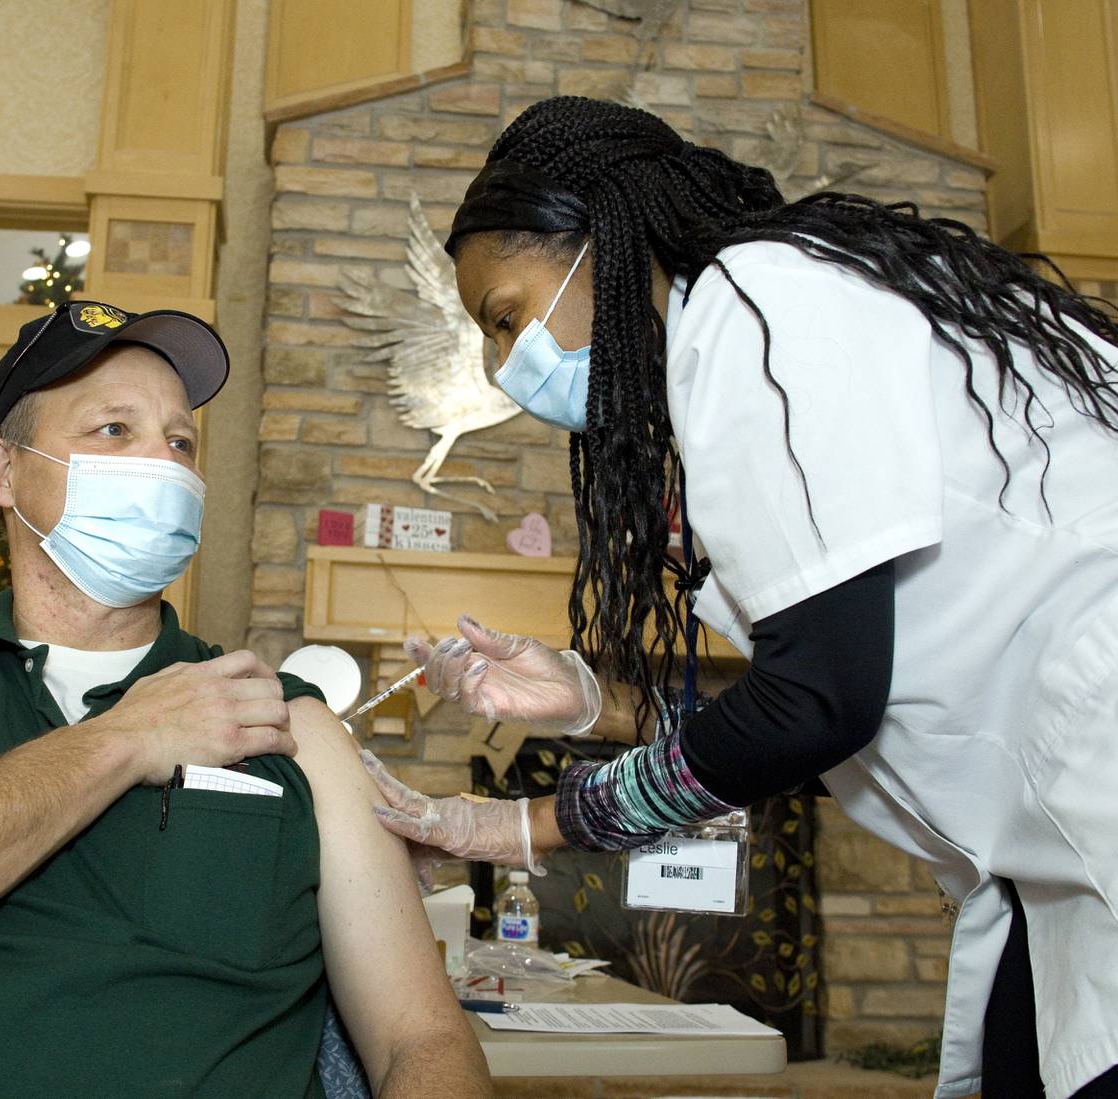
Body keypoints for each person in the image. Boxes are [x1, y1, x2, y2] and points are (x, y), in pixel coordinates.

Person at [361, 96, 1118, 1099]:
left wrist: (518, 826)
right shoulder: (774, 315)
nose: (507, 368)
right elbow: (823, 717)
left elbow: (814, 706)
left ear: (602, 240)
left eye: (507, 316)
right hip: (1054, 844)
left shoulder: (758, 310)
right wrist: (597, 705)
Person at [0, 301, 491, 1099]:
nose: (164, 459)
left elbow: (422, 1039)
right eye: (114, 430)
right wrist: (126, 738)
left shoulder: (280, 717)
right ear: (3, 472)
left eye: (181, 440)